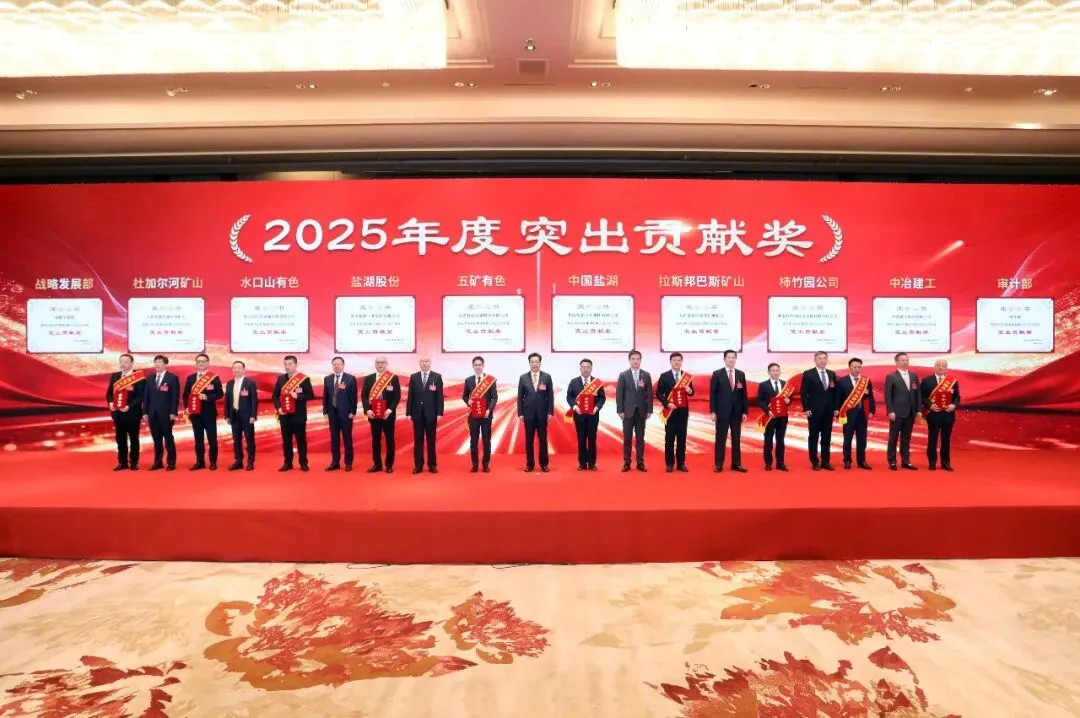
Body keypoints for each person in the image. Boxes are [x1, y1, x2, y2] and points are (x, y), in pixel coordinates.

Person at [272, 355, 315, 472]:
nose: (287, 366)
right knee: (286, 441)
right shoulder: (281, 379)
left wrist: (299, 396)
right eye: (285, 364)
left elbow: (310, 395)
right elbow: (275, 396)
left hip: (298, 415)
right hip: (284, 415)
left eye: (290, 364)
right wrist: (278, 408)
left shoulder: (303, 379)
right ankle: (288, 463)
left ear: (296, 365)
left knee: (301, 440)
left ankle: (303, 463)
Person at [709, 349, 748, 473]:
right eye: (729, 357)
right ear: (724, 359)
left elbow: (744, 394)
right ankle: (719, 464)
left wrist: (745, 411)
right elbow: (712, 394)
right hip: (722, 412)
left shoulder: (741, 374)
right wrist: (713, 411)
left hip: (737, 412)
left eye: (733, 357)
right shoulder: (717, 374)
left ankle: (736, 464)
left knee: (736, 438)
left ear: (736, 359)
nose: (731, 359)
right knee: (721, 438)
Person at [183, 353, 223, 471]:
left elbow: (220, 393)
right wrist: (187, 407)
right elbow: (185, 395)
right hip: (195, 414)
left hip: (209, 413)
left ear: (207, 363)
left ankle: (213, 462)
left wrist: (207, 397)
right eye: (199, 361)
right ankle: (200, 462)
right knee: (198, 439)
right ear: (196, 363)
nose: (201, 363)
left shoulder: (213, 377)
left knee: (212, 439)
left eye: (203, 361)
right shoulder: (190, 378)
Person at [656, 352, 694, 472]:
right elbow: (658, 393)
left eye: (679, 360)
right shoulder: (664, 376)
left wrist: (689, 391)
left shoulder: (686, 377)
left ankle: (681, 463)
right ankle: (669, 463)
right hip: (670, 411)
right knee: (669, 438)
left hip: (683, 412)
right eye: (674, 360)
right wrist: (667, 403)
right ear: (671, 362)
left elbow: (692, 393)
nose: (677, 362)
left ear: (682, 361)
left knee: (682, 438)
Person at [800, 351, 838, 471]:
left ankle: (825, 461)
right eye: (820, 358)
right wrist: (806, 408)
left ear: (827, 360)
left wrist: (836, 408)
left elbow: (834, 393)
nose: (822, 360)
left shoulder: (831, 373)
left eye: (824, 358)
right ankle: (814, 461)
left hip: (828, 411)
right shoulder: (808, 373)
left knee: (827, 437)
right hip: (814, 411)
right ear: (815, 360)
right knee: (814, 436)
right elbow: (803, 393)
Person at [362, 356, 401, 473]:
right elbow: (364, 396)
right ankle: (377, 464)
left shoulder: (393, 378)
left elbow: (397, 396)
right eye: (378, 363)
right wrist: (367, 410)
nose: (380, 365)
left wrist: (389, 410)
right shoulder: (368, 378)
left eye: (382, 362)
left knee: (390, 440)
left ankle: (389, 465)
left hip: (388, 415)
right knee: (375, 440)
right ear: (375, 364)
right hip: (373, 415)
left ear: (386, 364)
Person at [406, 355, 444, 474]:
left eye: (426, 361)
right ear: (419, 363)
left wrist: (439, 412)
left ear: (430, 363)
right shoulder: (414, 377)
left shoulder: (437, 377)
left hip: (431, 413)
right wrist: (408, 412)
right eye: (422, 361)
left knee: (431, 440)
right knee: (418, 440)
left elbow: (440, 396)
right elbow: (410, 396)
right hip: (417, 413)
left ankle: (432, 465)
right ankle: (418, 465)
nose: (424, 363)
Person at [565, 358, 606, 471]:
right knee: (581, 439)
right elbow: (569, 396)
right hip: (579, 415)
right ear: (580, 368)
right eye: (583, 367)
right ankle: (582, 463)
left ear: (591, 368)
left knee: (592, 439)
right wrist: (575, 406)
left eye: (588, 367)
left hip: (593, 415)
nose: (586, 369)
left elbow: (602, 398)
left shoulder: (596, 383)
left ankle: (592, 463)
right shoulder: (574, 382)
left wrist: (597, 407)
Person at [517, 352, 554, 472]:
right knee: (529, 440)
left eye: (536, 361)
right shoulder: (523, 377)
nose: (534, 364)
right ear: (529, 363)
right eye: (532, 362)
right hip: (528, 414)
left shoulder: (546, 377)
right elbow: (520, 397)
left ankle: (544, 464)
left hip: (542, 413)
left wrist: (550, 412)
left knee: (543, 439)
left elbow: (550, 395)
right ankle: (530, 464)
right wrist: (520, 413)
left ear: (540, 363)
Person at [106, 353, 144, 471]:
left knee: (133, 439)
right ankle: (122, 462)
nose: (123, 364)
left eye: (126, 362)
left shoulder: (138, 377)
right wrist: (110, 403)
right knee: (120, 439)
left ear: (132, 363)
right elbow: (109, 393)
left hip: (132, 413)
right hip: (118, 413)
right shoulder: (115, 376)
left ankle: (134, 462)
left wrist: (129, 406)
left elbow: (141, 396)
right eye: (121, 361)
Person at [836, 357, 876, 470]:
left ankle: (862, 461)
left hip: (863, 414)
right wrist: (837, 411)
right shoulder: (842, 381)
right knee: (847, 439)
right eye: (854, 367)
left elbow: (870, 396)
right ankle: (847, 460)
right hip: (848, 415)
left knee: (862, 439)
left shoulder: (866, 381)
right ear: (849, 367)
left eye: (859, 367)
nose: (857, 369)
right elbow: (838, 398)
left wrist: (872, 410)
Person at [616, 350, 652, 472]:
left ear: (640, 360)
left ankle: (640, 463)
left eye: (637, 359)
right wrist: (620, 410)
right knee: (627, 438)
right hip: (627, 412)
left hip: (641, 412)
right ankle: (627, 462)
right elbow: (619, 394)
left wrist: (649, 410)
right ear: (629, 360)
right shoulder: (623, 375)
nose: (635, 361)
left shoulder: (646, 375)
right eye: (633, 359)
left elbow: (649, 394)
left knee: (640, 438)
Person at [921, 358, 960, 471]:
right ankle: (932, 462)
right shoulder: (927, 380)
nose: (940, 367)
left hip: (948, 415)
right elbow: (922, 396)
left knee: (946, 439)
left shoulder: (953, 381)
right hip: (933, 414)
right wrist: (930, 406)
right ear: (934, 367)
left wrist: (953, 405)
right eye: (938, 365)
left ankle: (945, 463)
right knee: (932, 439)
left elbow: (957, 397)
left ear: (946, 368)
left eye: (943, 366)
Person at [143, 354, 180, 471]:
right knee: (156, 440)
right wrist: (145, 412)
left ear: (165, 364)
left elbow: (175, 397)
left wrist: (173, 412)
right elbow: (146, 397)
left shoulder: (172, 378)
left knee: (168, 439)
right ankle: (158, 462)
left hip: (166, 414)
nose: (157, 364)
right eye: (156, 362)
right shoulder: (149, 378)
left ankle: (171, 462)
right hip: (152, 414)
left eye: (160, 362)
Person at [884, 352, 920, 471]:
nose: (905, 362)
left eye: (907, 360)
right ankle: (892, 461)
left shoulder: (914, 376)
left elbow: (918, 394)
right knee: (893, 438)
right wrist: (890, 411)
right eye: (903, 360)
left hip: (910, 412)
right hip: (896, 412)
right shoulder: (891, 376)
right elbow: (887, 396)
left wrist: (919, 410)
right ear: (897, 362)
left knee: (906, 438)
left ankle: (906, 461)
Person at [323, 356, 358, 472]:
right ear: (332, 365)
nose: (336, 366)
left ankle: (348, 462)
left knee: (347, 438)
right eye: (334, 364)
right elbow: (325, 397)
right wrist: (325, 412)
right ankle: (335, 462)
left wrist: (353, 411)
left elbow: (354, 396)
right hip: (332, 414)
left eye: (339, 364)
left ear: (343, 365)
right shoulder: (327, 379)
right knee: (334, 439)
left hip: (346, 414)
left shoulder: (350, 378)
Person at [463, 355, 497, 473]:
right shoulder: (468, 380)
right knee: (474, 441)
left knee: (486, 440)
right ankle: (475, 464)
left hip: (486, 415)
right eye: (476, 365)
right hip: (473, 415)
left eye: (480, 365)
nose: (478, 367)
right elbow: (464, 396)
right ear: (473, 366)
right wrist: (468, 401)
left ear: (483, 365)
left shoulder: (490, 380)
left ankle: (485, 464)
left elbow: (494, 397)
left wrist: (489, 410)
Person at [756, 362, 791, 472]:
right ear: (769, 372)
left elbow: (789, 399)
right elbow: (759, 401)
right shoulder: (763, 385)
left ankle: (780, 463)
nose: (775, 372)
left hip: (782, 417)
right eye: (773, 370)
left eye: (777, 370)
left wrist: (788, 401)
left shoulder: (785, 384)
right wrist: (767, 411)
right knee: (768, 440)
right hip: (769, 417)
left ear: (780, 372)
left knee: (780, 440)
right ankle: (768, 463)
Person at [224, 360, 258, 471]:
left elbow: (254, 400)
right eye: (234, 368)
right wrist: (227, 415)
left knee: (249, 440)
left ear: (243, 369)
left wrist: (253, 415)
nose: (236, 370)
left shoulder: (250, 383)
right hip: (234, 415)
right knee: (236, 440)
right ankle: (238, 461)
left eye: (239, 367)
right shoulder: (230, 383)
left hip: (247, 416)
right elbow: (227, 400)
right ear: (232, 370)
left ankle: (250, 462)